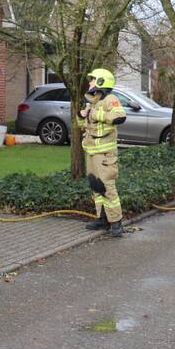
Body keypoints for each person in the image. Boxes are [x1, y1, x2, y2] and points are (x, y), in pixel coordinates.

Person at [79, 68, 128, 237]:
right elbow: (84, 125)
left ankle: (116, 223)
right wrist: (81, 115)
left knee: (107, 187)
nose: (90, 82)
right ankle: (102, 219)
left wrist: (95, 114)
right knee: (96, 186)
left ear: (101, 82)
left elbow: (119, 117)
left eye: (93, 79)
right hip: (91, 152)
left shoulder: (110, 100)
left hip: (105, 154)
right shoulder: (92, 102)